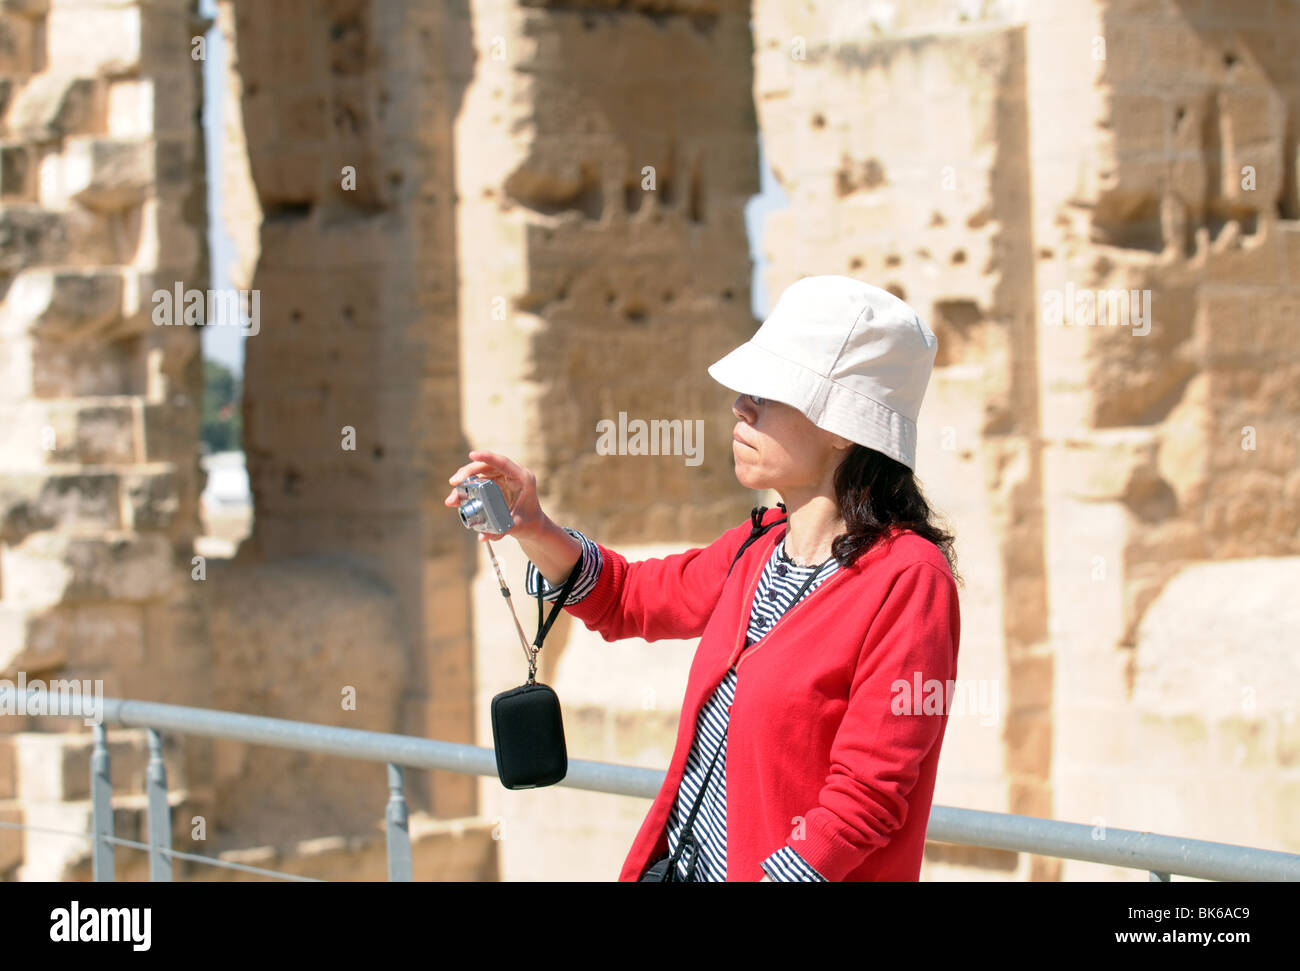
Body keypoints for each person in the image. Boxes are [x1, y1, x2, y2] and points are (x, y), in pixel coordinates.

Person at [445, 275, 961, 882]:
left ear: (842, 427)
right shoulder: (757, 544)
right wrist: (532, 526)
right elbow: (627, 598)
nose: (740, 406)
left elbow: (866, 798)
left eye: (767, 394)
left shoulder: (908, 580)